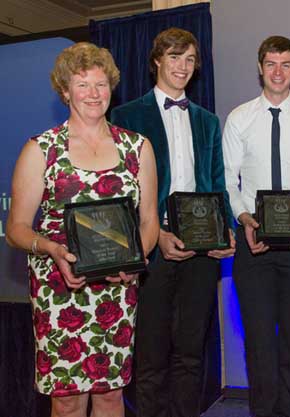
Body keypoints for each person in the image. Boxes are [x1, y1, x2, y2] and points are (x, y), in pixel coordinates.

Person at [5, 42, 159, 417]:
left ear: (112, 88)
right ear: (64, 91)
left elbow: (150, 221)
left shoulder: (138, 147)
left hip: (118, 289)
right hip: (59, 290)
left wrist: (133, 261)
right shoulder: (41, 149)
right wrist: (53, 251)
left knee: (110, 394)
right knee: (68, 400)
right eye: (83, 84)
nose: (94, 94)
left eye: (101, 84)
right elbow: (17, 228)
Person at [110, 28, 235, 417]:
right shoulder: (126, 115)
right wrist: (156, 236)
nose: (182, 66)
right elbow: (121, 192)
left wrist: (225, 229)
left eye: (190, 59)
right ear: (156, 62)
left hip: (202, 247)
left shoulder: (209, 121)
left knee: (191, 351)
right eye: (175, 57)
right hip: (152, 245)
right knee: (151, 354)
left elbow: (217, 185)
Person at [222, 35, 290, 417]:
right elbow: (227, 181)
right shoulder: (239, 119)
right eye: (271, 64)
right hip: (253, 243)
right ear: (260, 68)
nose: (278, 71)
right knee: (260, 340)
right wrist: (243, 218)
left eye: (285, 64)